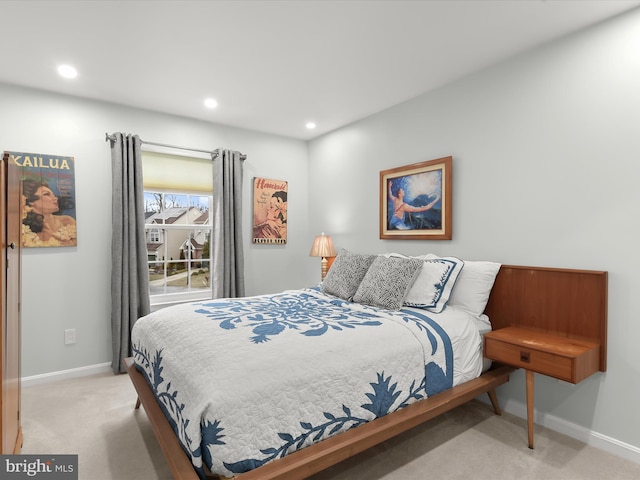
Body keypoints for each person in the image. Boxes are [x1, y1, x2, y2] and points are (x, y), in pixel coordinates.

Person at [22, 179, 77, 247]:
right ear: (31, 201)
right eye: (46, 194)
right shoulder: (24, 228)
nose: (55, 198)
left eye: (53, 195)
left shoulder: (67, 221)